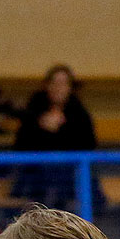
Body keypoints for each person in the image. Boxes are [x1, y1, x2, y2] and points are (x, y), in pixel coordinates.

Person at [12, 65, 98, 210]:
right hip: (36, 176)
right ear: (47, 85)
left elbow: (89, 144)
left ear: (70, 87)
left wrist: (62, 128)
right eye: (54, 83)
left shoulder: (79, 113)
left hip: (71, 175)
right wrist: (41, 126)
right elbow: (20, 146)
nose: (58, 88)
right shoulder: (33, 111)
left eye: (63, 83)